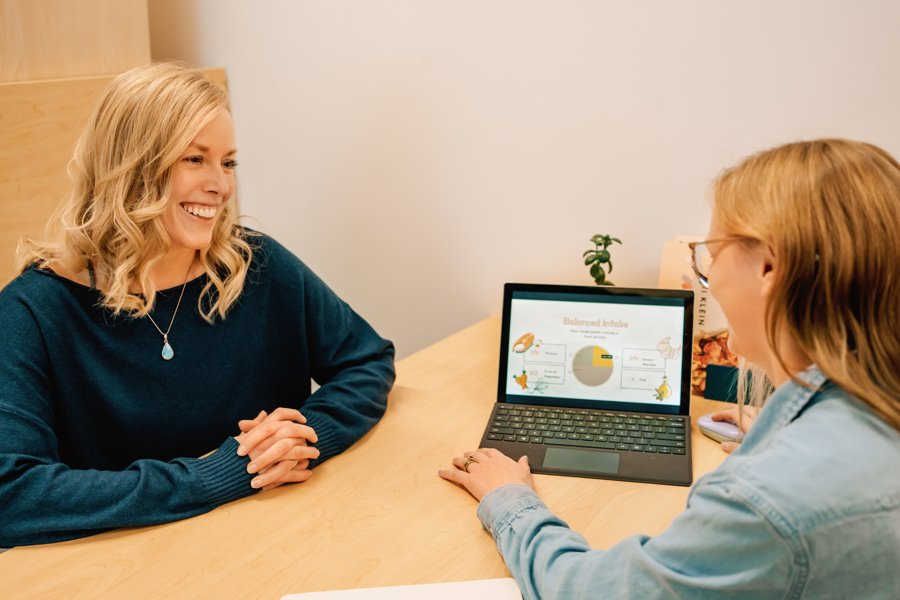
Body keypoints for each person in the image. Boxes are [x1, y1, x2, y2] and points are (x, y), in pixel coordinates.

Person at [440, 139, 900, 598]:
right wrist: (785, 430)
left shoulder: (765, 497)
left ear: (768, 269)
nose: (710, 276)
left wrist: (508, 499)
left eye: (712, 254)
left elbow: (589, 592)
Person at [0, 63, 395, 547]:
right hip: (129, 568)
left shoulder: (256, 264)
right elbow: (13, 494)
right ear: (133, 166)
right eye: (195, 159)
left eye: (228, 162)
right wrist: (217, 475)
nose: (222, 186)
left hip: (275, 541)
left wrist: (302, 439)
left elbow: (367, 360)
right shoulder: (32, 312)